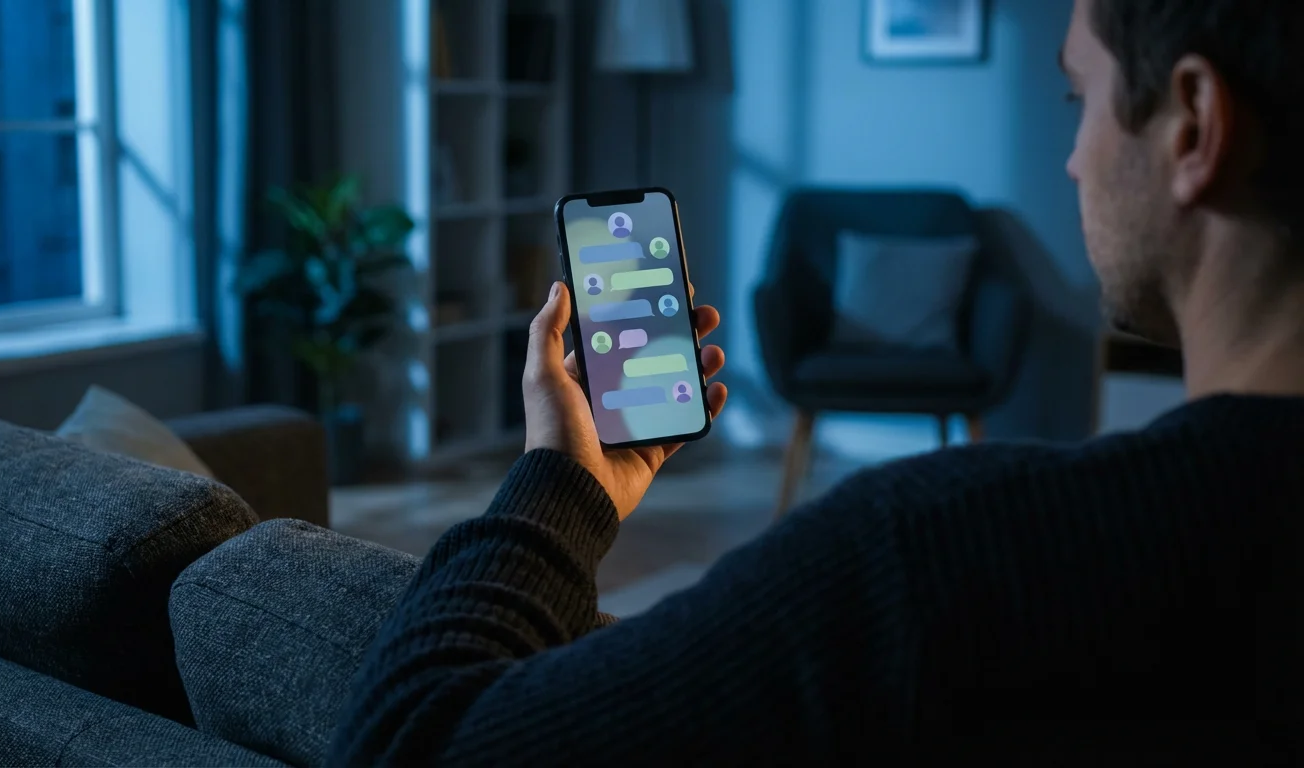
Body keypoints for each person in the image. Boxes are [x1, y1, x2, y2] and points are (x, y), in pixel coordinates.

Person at [330, 0, 1304, 763]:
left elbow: (411, 743)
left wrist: (563, 482)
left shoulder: (933, 563)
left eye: (1076, 99)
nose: (1070, 157)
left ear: (1192, 125)